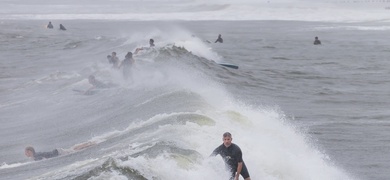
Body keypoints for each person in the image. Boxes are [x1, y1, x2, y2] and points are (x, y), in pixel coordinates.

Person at [25, 142, 95, 161]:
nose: (25, 154)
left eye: (26, 152)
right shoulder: (35, 155)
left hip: (58, 152)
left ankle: (89, 144)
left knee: (74, 150)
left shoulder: (36, 157)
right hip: (57, 151)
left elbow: (43, 159)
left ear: (30, 151)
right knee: (73, 149)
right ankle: (88, 143)